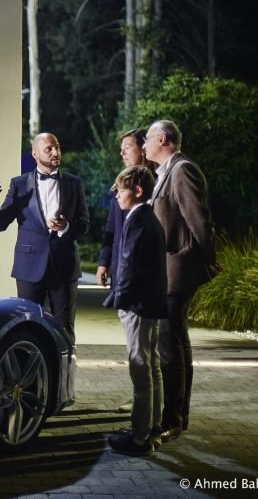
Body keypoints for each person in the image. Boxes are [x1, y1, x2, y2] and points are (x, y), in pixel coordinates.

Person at [144, 119, 217, 443]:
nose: (144, 145)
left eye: (148, 138)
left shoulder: (182, 170)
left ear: (163, 139)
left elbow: (199, 220)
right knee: (176, 343)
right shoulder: (165, 172)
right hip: (167, 270)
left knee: (170, 347)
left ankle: (173, 418)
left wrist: (207, 259)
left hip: (176, 271)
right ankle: (177, 415)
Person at [0, 132, 90, 340]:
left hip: (65, 266)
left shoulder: (74, 183)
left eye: (57, 147)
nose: (55, 152)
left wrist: (66, 226)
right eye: (49, 149)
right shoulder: (19, 184)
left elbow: (84, 225)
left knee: (64, 327)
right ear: (35, 154)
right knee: (27, 325)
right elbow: (1, 223)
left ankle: (64, 362)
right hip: (29, 267)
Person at [104, 165, 167, 456]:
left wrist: (119, 300)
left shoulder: (137, 220)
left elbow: (128, 265)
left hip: (137, 307)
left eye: (121, 189)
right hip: (151, 304)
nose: (117, 195)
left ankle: (139, 438)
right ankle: (152, 427)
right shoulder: (151, 219)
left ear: (138, 191)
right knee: (152, 366)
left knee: (140, 369)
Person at [95, 128, 155, 414]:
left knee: (143, 352)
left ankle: (147, 411)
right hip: (123, 275)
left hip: (142, 285)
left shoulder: (151, 187)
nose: (122, 153)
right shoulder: (121, 187)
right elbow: (112, 230)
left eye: (127, 147)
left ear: (142, 149)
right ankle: (145, 404)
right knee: (139, 350)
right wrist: (104, 261)